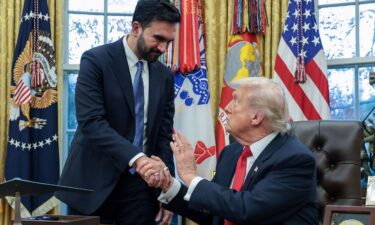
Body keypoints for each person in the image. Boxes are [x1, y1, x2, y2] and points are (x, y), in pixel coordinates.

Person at [55, 1, 180, 225]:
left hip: (142, 191)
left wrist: (166, 190)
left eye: (168, 42)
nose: (163, 49)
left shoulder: (164, 76)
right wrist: (138, 159)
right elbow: (92, 123)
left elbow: (163, 135)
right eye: (158, 39)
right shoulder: (95, 60)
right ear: (136, 28)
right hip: (92, 185)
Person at [141, 77, 319, 225]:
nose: (227, 107)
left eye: (236, 100)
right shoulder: (231, 153)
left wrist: (190, 176)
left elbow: (247, 210)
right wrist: (169, 185)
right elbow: (211, 211)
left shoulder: (295, 159)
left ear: (256, 117)